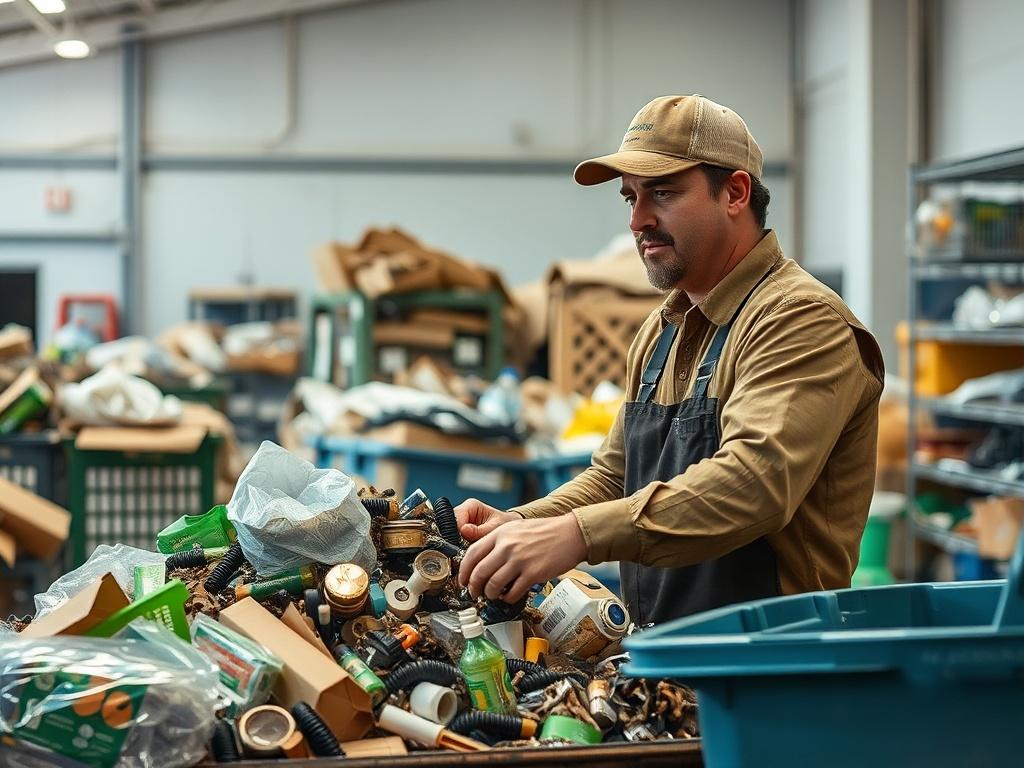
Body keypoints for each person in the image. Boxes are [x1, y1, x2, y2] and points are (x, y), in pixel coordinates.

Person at [457, 94, 885, 625]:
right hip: (671, 659)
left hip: (770, 668)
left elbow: (753, 484)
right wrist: (519, 523)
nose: (638, 220)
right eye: (630, 197)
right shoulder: (663, 332)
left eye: (662, 193)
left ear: (734, 192)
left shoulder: (799, 321)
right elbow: (615, 477)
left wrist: (578, 536)